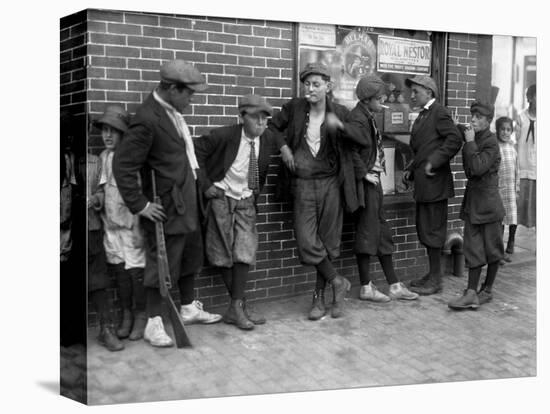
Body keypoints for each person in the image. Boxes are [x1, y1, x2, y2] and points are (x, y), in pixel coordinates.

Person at [113, 60, 222, 348]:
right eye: (188, 94)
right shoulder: (148, 118)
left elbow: (184, 159)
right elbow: (123, 165)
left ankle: (187, 308)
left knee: (189, 259)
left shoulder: (171, 113)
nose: (191, 99)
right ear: (173, 89)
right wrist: (141, 205)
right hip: (166, 209)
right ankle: (154, 323)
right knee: (163, 266)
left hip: (186, 204)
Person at [268, 62, 359, 320]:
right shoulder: (294, 109)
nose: (310, 88)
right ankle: (338, 281)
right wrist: (284, 148)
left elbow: (359, 139)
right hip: (303, 183)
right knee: (307, 240)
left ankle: (321, 299)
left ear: (328, 86)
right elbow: (273, 127)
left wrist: (341, 127)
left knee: (328, 242)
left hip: (331, 183)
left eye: (316, 84)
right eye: (307, 84)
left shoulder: (340, 111)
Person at [194, 95, 283, 330]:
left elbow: (280, 138)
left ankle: (236, 305)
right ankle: (239, 305)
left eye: (265, 120)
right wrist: (206, 185)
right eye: (256, 119)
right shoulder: (223, 136)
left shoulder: (269, 139)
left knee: (244, 249)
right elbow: (193, 153)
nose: (261, 124)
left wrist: (287, 151)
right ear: (241, 117)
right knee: (222, 250)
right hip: (221, 197)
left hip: (246, 198)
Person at [330, 75, 419, 302]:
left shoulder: (366, 115)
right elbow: (348, 149)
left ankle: (394, 284)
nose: (384, 102)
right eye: (380, 99)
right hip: (366, 186)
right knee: (368, 232)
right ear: (368, 99)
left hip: (374, 184)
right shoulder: (358, 118)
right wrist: (364, 174)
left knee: (380, 232)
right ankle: (366, 287)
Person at [403, 75, 462, 295]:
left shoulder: (439, 112)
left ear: (429, 92)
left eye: (416, 91)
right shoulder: (422, 116)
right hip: (424, 184)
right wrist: (411, 168)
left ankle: (436, 280)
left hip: (435, 185)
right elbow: (423, 148)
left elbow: (455, 139)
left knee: (434, 230)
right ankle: (432, 274)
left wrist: (434, 162)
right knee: (426, 228)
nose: (412, 95)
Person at [97, 106, 147, 341]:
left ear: (123, 134)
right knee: (119, 273)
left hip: (128, 227)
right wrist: (97, 199)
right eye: (104, 130)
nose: (107, 135)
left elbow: (138, 194)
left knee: (135, 273)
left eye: (113, 131)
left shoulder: (129, 159)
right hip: (111, 227)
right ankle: (126, 314)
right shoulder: (104, 158)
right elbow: (104, 189)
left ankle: (140, 316)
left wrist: (138, 227)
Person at [448, 101, 505, 309]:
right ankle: (471, 292)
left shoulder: (490, 142)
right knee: (473, 249)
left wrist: (470, 142)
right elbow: (464, 130)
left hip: (489, 207)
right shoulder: (475, 136)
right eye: (472, 115)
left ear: (488, 121)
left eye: (478, 117)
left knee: (493, 250)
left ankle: (487, 290)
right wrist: (456, 127)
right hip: (474, 205)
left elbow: (478, 168)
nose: (473, 119)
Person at [87, 144, 124, 351]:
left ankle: (106, 329)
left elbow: (102, 191)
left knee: (98, 279)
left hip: (90, 227)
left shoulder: (94, 161)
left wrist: (95, 199)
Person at [495, 116, 519, 262]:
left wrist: (517, 188)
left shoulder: (512, 148)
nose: (505, 132)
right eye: (502, 129)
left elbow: (517, 169)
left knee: (512, 218)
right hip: (499, 189)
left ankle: (509, 244)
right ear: (497, 130)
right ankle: (499, 251)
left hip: (510, 189)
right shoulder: (496, 148)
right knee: (500, 221)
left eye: (508, 130)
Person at [516, 84, 536, 229]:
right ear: (529, 98)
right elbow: (516, 140)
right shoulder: (521, 116)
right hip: (523, 168)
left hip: (538, 169)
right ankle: (511, 238)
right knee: (517, 206)